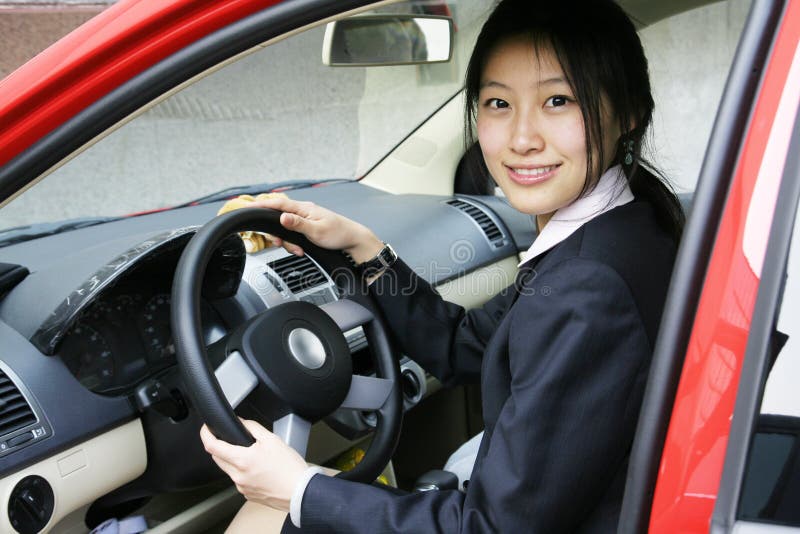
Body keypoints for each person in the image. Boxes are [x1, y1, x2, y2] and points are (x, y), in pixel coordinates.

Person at [199, 0, 684, 531]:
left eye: (558, 100)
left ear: (630, 112)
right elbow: (464, 345)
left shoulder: (587, 289)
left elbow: (493, 527)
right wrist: (364, 247)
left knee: (262, 516)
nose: (522, 139)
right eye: (499, 103)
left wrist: (300, 488)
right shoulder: (632, 226)